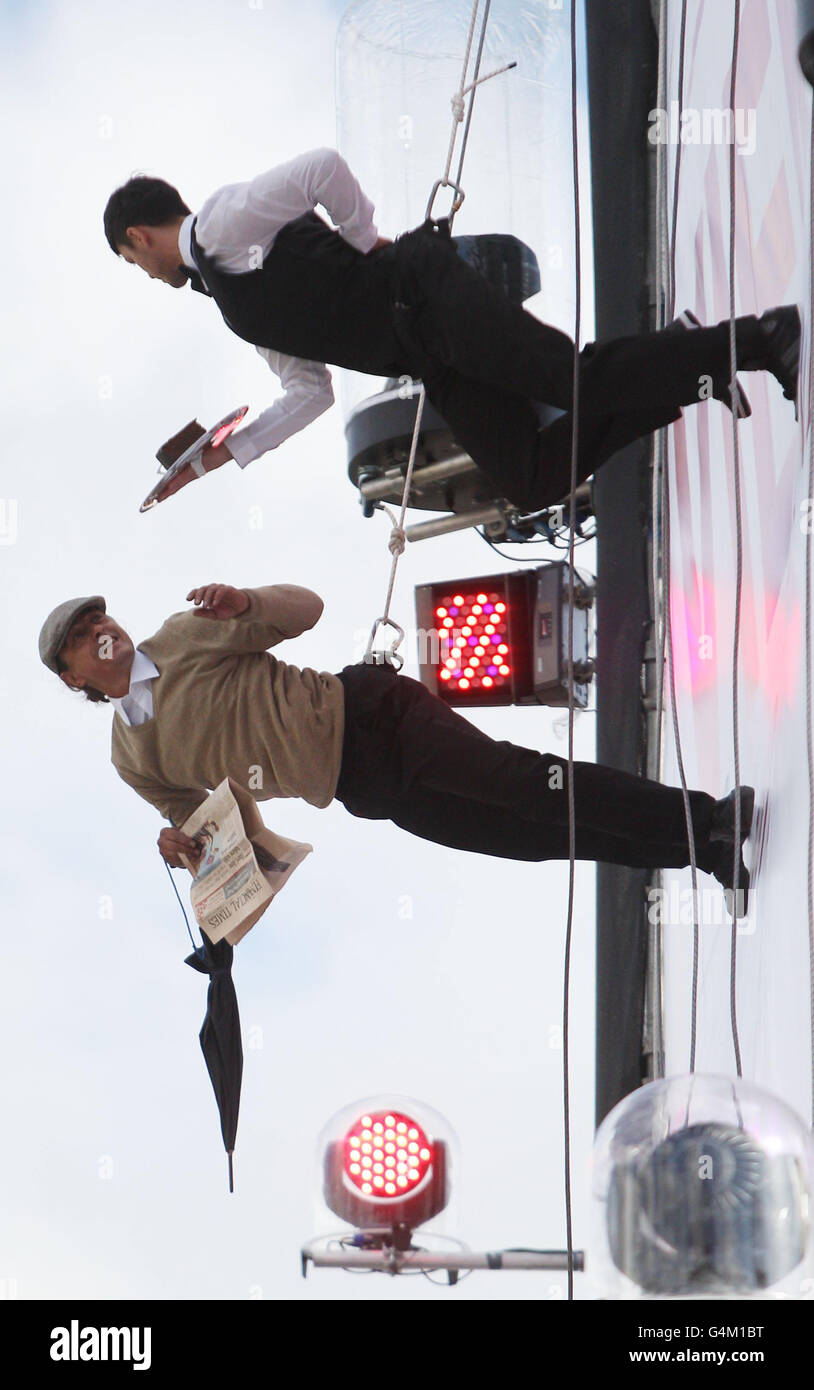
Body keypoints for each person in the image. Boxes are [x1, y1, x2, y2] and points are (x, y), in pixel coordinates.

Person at [103, 148, 801, 514]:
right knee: (528, 479)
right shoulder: (232, 304)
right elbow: (309, 391)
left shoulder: (222, 225)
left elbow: (321, 168)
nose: (143, 271)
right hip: (429, 354)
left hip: (425, 293)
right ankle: (680, 361)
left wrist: (368, 241)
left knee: (572, 378)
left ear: (139, 236)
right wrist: (232, 451)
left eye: (133, 262)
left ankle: (763, 338)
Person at [38, 585, 754, 910]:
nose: (99, 628)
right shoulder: (131, 756)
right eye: (80, 636)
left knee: (527, 784)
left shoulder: (185, 631)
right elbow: (212, 826)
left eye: (97, 615)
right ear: (75, 676)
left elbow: (306, 610)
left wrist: (248, 604)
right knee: (524, 836)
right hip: (363, 787)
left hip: (373, 716)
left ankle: (708, 816)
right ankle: (703, 850)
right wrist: (181, 846)